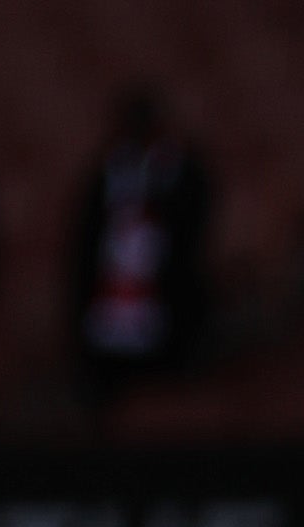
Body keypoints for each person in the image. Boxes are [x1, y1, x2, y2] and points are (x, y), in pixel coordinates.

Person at [67, 85, 213, 401]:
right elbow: (86, 243)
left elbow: (193, 225)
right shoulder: (108, 175)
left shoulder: (180, 172)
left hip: (163, 310)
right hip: (111, 311)